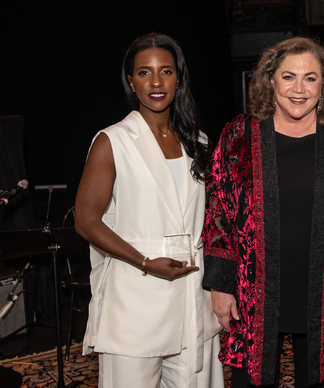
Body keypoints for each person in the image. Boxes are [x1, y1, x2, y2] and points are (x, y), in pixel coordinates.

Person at [202, 37, 324, 388]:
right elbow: (218, 212)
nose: (299, 88)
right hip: (253, 292)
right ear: (270, 80)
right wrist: (220, 283)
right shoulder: (238, 136)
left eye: (310, 78)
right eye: (288, 77)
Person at [74, 33, 223, 388]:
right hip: (136, 296)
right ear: (130, 80)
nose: (156, 82)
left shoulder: (198, 141)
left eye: (166, 71)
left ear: (178, 78)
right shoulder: (113, 141)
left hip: (192, 293)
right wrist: (144, 261)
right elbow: (85, 220)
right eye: (144, 72)